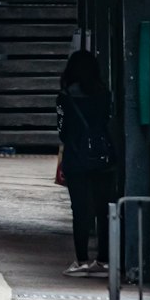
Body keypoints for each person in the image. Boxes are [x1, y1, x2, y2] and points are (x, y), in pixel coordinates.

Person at [57, 50, 116, 278]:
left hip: (76, 158)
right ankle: (103, 261)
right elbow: (108, 121)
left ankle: (81, 261)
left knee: (80, 211)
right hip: (103, 158)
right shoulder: (105, 95)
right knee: (104, 210)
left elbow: (62, 131)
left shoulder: (64, 98)